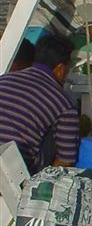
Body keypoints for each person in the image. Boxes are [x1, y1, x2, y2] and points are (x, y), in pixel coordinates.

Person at [0, 33, 78, 174]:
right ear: (60, 69)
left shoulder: (4, 79)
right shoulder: (64, 104)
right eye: (68, 69)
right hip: (15, 175)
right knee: (62, 138)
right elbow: (65, 161)